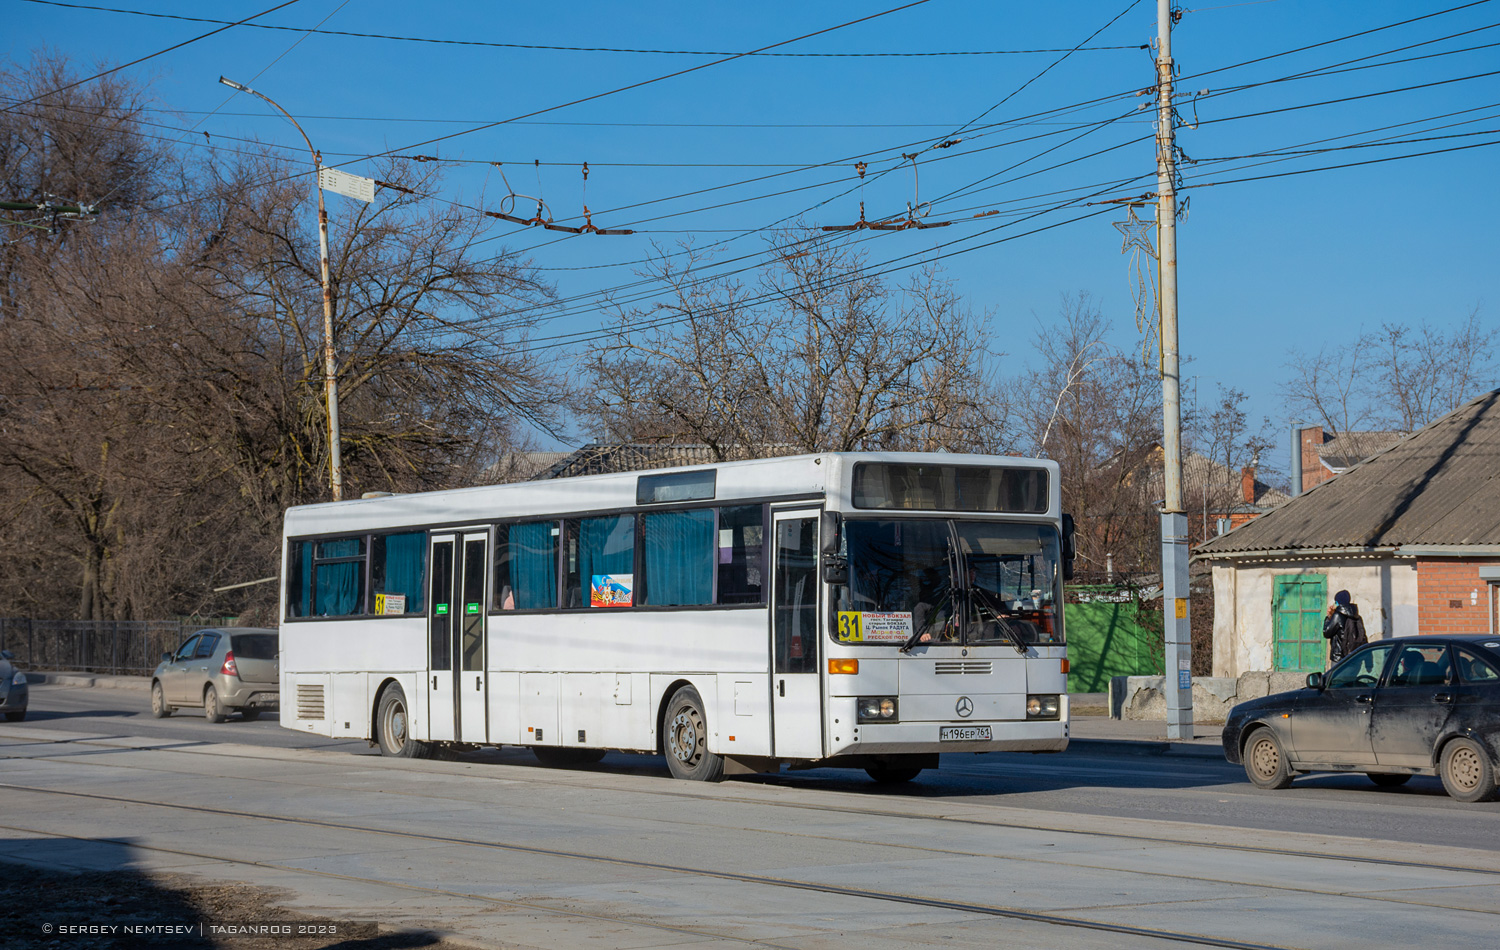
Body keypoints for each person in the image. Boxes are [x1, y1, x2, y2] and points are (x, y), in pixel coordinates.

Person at [1323, 590, 1368, 664]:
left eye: (1336, 602)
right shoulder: (1356, 616)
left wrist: (1328, 617)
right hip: (1353, 656)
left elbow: (1326, 633)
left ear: (1338, 603)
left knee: (1336, 676)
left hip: (1339, 658)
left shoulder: (1337, 616)